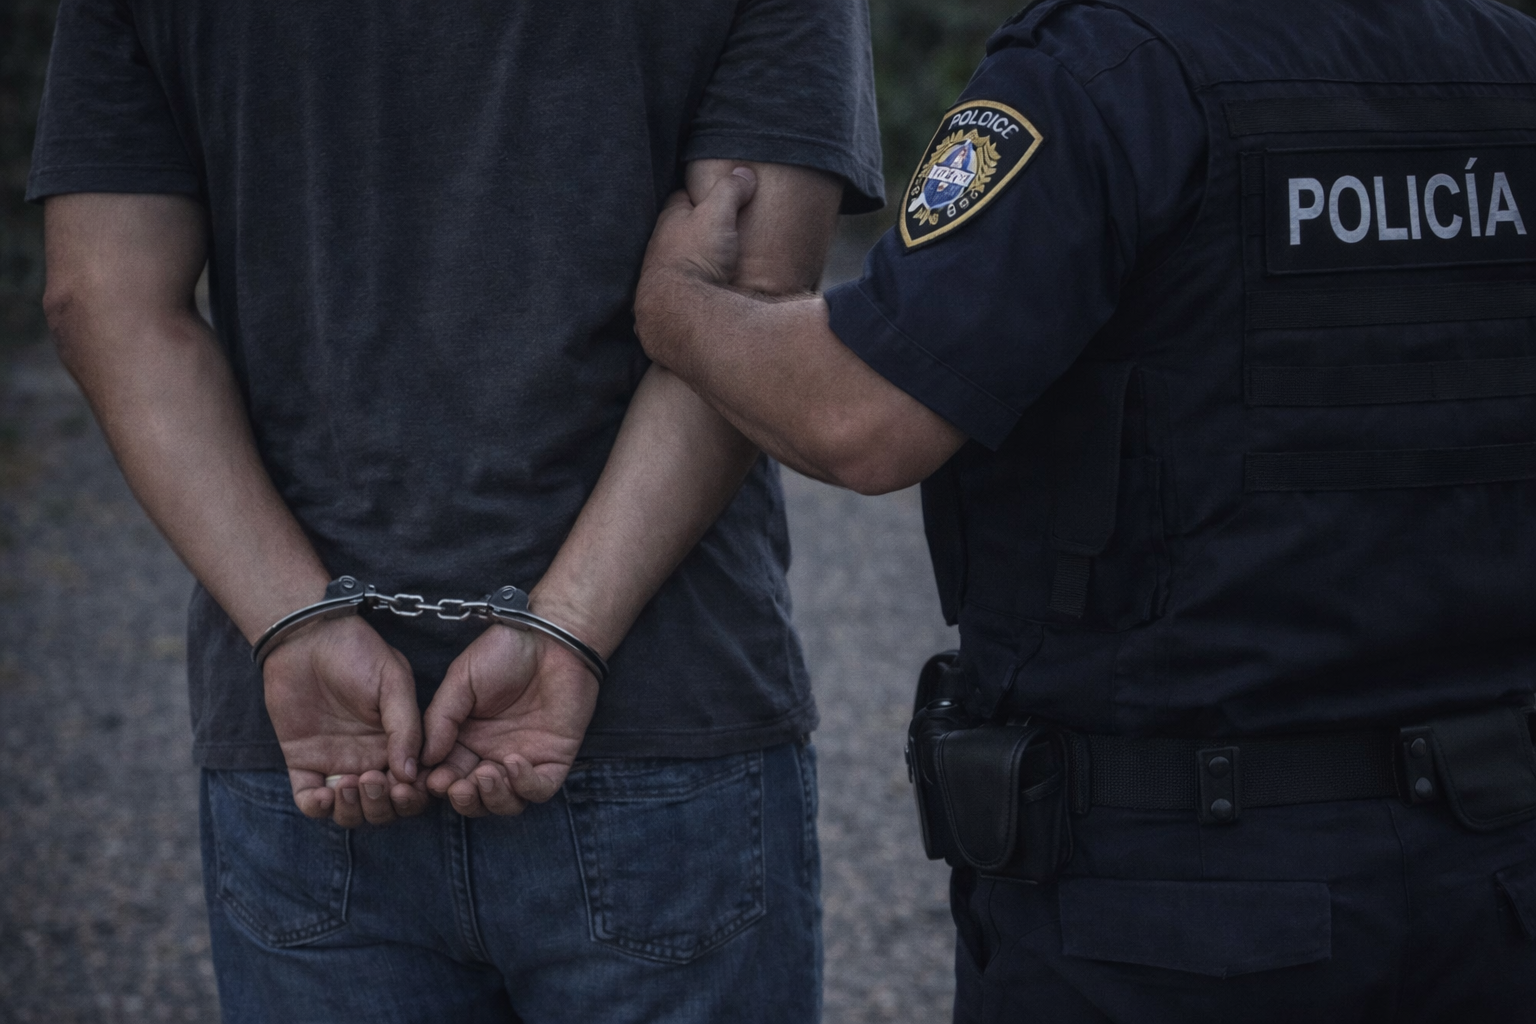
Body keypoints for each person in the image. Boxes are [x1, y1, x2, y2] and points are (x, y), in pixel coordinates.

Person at [633, 0, 1536, 1019]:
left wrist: (679, 302)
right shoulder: (1510, 63)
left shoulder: (1109, 73)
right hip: (1493, 884)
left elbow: (860, 416)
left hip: (1174, 912)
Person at [29, 0, 882, 1019]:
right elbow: (751, 300)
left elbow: (100, 297)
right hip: (663, 707)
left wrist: (295, 622)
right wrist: (569, 625)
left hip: (312, 734)